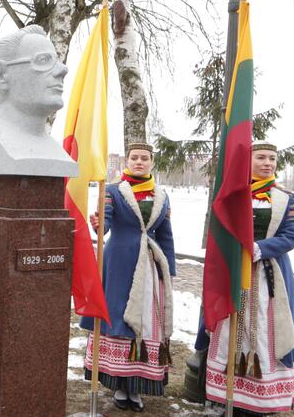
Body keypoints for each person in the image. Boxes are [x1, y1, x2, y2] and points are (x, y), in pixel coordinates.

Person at [196, 141, 294, 415]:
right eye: (261, 158)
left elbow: (290, 236)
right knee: (232, 329)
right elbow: (219, 229)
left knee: (265, 334)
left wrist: (259, 248)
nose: (268, 163)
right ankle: (227, 395)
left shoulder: (287, 197)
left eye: (272, 159)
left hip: (270, 276)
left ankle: (261, 400)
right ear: (249, 161)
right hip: (233, 273)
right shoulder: (234, 193)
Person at [81, 142, 176, 412]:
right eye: (134, 158)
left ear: (151, 163)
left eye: (144, 158)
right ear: (127, 161)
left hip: (151, 266)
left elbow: (166, 234)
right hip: (119, 264)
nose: (139, 162)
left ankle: (137, 385)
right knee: (120, 318)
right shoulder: (112, 191)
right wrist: (99, 223)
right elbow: (107, 223)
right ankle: (120, 385)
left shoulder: (161, 196)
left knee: (146, 321)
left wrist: (168, 269)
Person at [0, 24, 77, 177]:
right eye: (43, 60)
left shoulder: (56, 151)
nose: (62, 70)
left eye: (57, 61)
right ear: (1, 74)